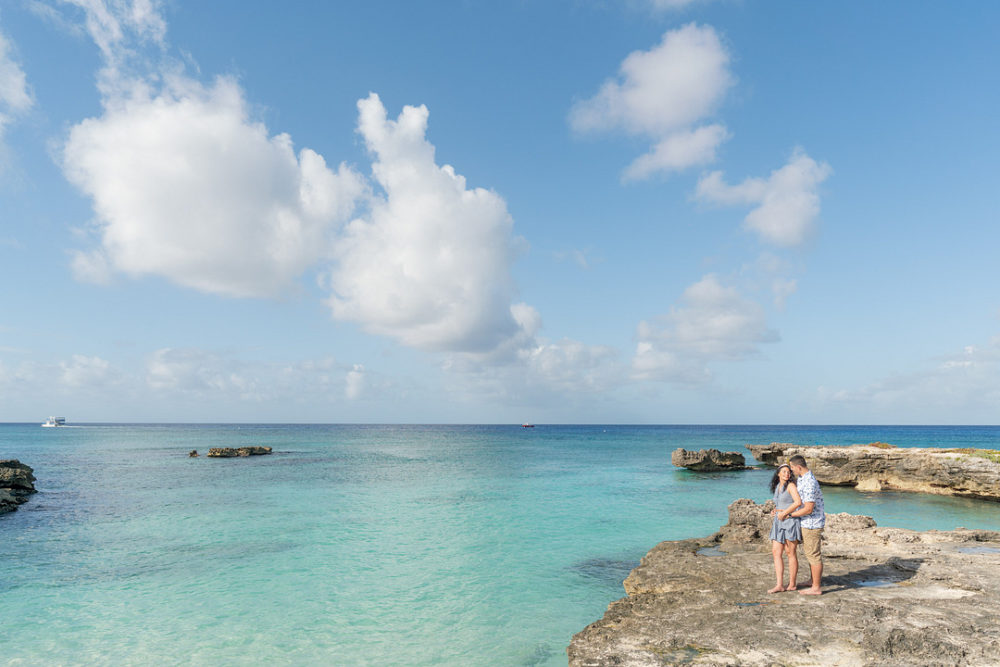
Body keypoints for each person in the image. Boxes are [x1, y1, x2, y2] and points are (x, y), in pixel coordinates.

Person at [787, 454, 826, 595]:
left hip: (812, 523)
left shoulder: (809, 482)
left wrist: (790, 514)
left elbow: (808, 508)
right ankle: (812, 580)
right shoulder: (803, 478)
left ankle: (816, 587)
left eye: (792, 468)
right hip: (807, 522)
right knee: (810, 553)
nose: (792, 471)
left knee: (813, 554)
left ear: (799, 467)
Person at [767, 463, 802, 593]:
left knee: (790, 553)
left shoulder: (791, 486)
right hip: (778, 521)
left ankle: (792, 584)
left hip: (790, 521)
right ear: (778, 474)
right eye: (784, 472)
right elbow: (780, 503)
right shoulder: (777, 486)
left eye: (788, 472)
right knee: (776, 552)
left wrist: (785, 512)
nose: (787, 474)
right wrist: (775, 510)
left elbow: (798, 502)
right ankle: (779, 585)